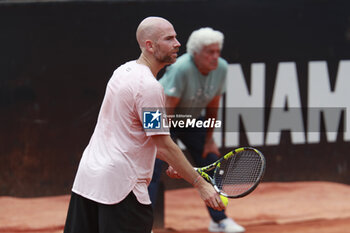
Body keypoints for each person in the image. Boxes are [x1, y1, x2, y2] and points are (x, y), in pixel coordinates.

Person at [63, 17, 226, 233]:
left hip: (89, 180)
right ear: (150, 45)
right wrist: (200, 184)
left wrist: (177, 164)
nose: (177, 43)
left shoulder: (123, 71)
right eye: (169, 38)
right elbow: (163, 144)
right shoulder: (150, 88)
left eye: (176, 37)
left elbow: (137, 136)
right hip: (122, 188)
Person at [148, 27, 245, 233]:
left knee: (210, 162)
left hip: (190, 118)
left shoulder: (222, 68)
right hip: (163, 115)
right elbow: (168, 108)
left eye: (218, 51)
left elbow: (213, 104)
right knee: (152, 169)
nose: (215, 57)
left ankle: (219, 221)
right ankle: (142, 226)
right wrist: (169, 151)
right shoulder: (181, 68)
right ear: (195, 53)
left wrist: (209, 139)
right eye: (210, 52)